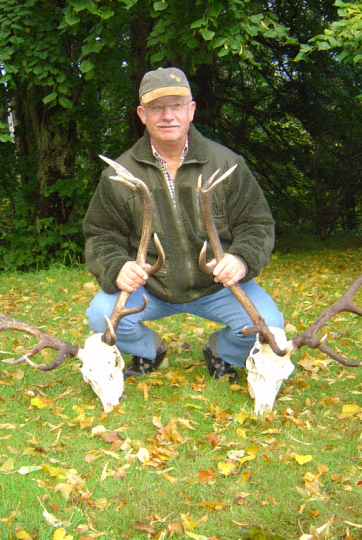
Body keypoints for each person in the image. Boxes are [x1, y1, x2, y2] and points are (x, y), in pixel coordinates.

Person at [83, 67, 283, 381]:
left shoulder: (227, 164)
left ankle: (221, 351)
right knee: (100, 317)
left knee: (269, 326)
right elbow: (101, 233)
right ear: (142, 115)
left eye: (176, 106)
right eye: (156, 108)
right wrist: (117, 266)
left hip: (217, 286)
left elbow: (255, 223)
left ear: (191, 110)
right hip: (149, 288)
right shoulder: (119, 174)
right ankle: (150, 350)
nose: (168, 115)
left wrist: (241, 259)